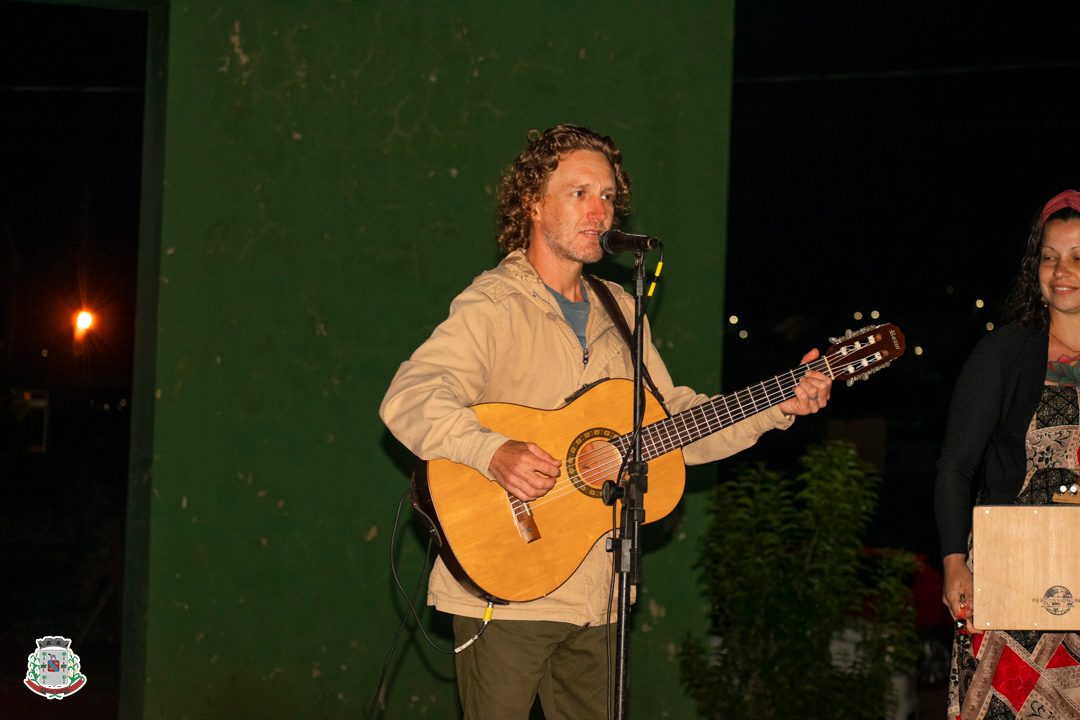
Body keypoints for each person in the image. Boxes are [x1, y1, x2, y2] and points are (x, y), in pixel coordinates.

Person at [379, 124, 833, 719]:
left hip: (600, 597)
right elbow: (408, 397)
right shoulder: (494, 304)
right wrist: (492, 452)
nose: (600, 210)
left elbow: (671, 424)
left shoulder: (621, 310)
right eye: (580, 193)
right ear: (532, 205)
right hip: (505, 591)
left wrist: (778, 404)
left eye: (609, 196)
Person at [936, 188, 1080, 719]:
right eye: (1049, 257)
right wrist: (954, 561)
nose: (1061, 271)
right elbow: (956, 465)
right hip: (1012, 582)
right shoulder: (1003, 353)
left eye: (1077, 257)